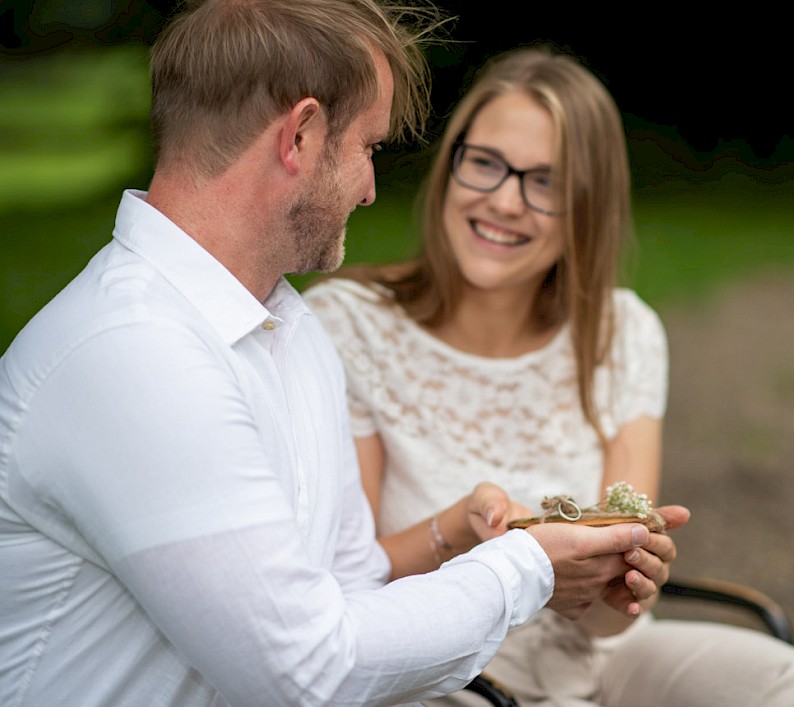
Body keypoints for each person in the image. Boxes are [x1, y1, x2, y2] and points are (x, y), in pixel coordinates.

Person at [0, 4, 687, 706]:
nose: (371, 188)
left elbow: (355, 584)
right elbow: (306, 672)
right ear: (300, 135)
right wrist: (526, 565)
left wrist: (491, 542)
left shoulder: (290, 332)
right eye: (368, 149)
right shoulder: (130, 353)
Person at [304, 47, 794, 706]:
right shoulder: (349, 323)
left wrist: (624, 583)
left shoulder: (623, 333)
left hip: (598, 653)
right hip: (443, 670)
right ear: (451, 166)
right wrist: (463, 528)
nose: (505, 201)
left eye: (546, 182)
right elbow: (349, 582)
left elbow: (605, 617)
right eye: (484, 164)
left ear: (586, 206)